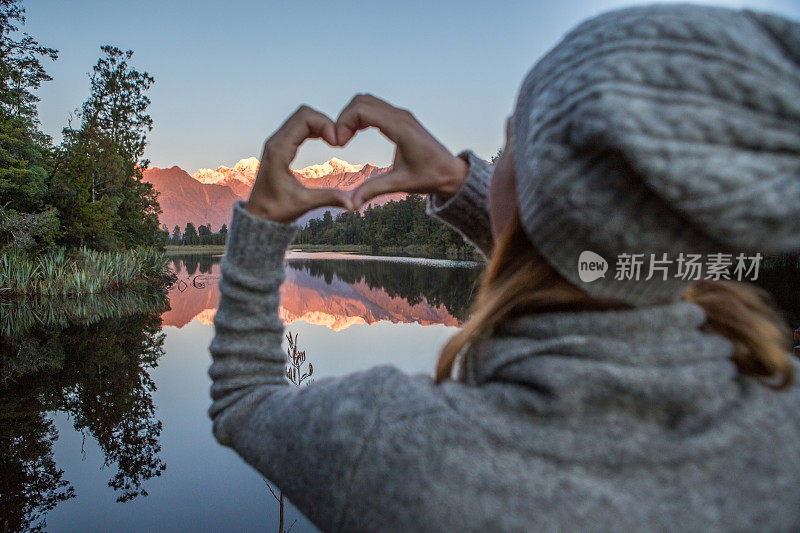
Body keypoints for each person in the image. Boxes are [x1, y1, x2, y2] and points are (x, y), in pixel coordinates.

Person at [209, 4, 800, 531]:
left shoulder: (396, 443)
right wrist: (461, 184)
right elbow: (591, 247)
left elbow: (244, 402)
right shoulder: (782, 411)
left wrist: (262, 221)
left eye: (515, 140)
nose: (505, 139)